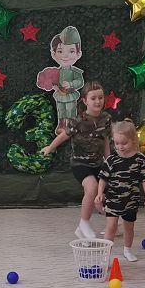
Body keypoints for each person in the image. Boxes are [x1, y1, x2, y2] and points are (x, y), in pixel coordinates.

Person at [41, 81, 111, 240]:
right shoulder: (78, 121)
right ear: (85, 101)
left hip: (98, 163)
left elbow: (106, 140)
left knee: (109, 191)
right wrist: (50, 148)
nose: (98, 101)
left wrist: (109, 161)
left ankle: (113, 223)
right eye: (93, 98)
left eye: (100, 97)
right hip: (80, 163)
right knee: (92, 188)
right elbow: (63, 136)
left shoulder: (106, 118)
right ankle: (83, 223)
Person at [95, 120, 145, 262]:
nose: (120, 146)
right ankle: (105, 254)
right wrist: (100, 193)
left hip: (131, 200)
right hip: (113, 199)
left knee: (129, 227)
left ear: (133, 140)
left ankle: (128, 250)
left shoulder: (140, 159)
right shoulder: (111, 159)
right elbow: (103, 178)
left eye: (124, 143)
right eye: (117, 143)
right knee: (111, 226)